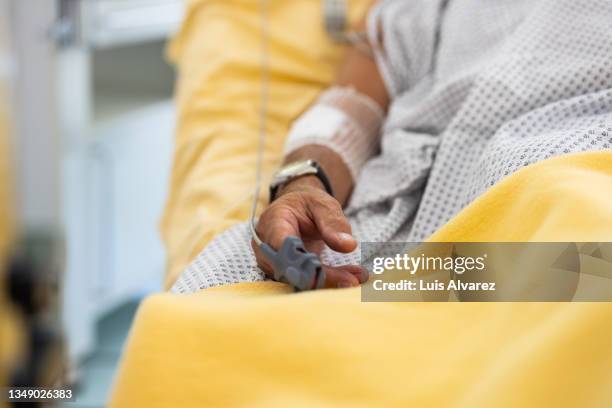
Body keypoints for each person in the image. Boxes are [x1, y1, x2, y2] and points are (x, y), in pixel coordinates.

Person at [172, 0, 612, 293]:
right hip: (376, 231)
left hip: (556, 204)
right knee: (212, 294)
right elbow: (349, 108)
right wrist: (302, 183)